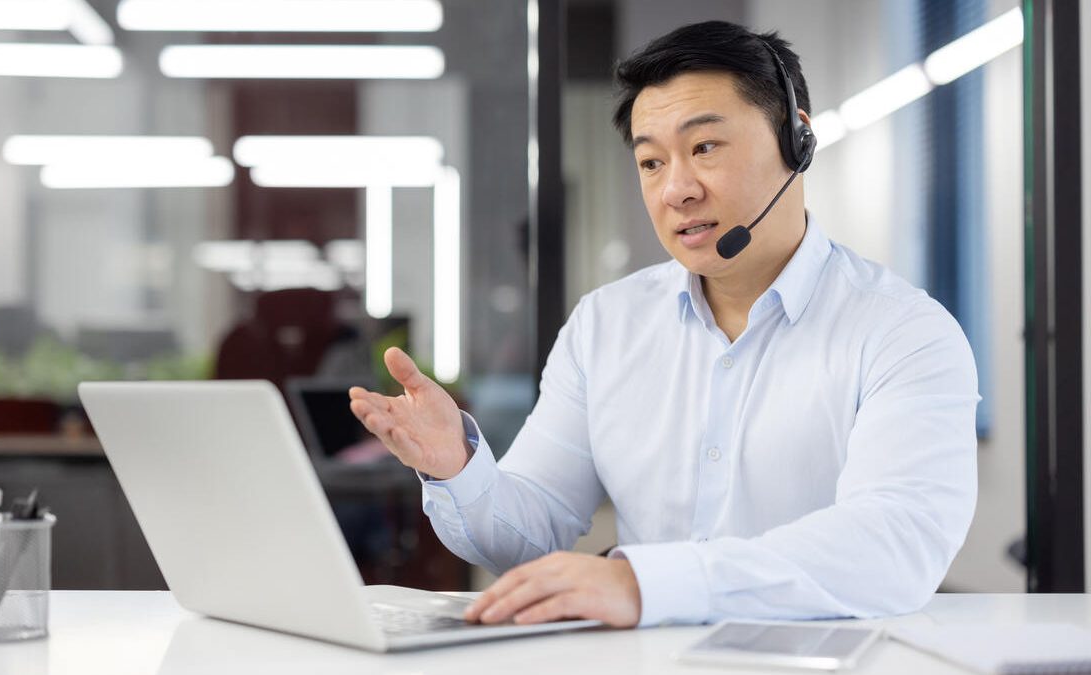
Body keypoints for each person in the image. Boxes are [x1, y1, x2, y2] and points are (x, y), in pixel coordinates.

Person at [348, 20, 978, 629]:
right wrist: (456, 468)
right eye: (651, 163)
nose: (676, 189)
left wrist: (645, 584)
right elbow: (533, 528)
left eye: (705, 147)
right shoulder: (606, 325)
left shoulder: (904, 332)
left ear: (798, 138)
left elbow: (897, 542)